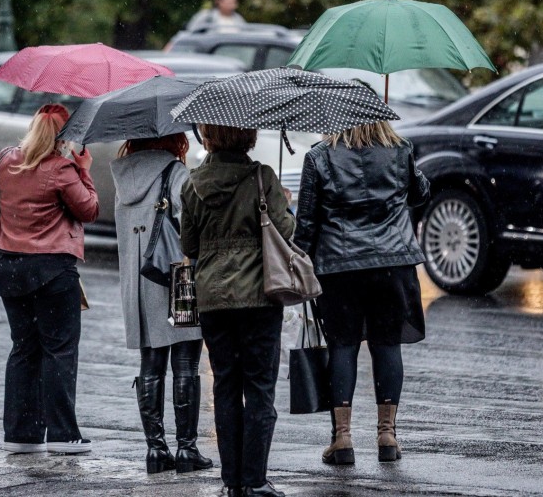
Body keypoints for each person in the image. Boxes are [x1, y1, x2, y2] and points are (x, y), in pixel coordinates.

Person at [293, 120, 430, 466]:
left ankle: (342, 440)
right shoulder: (401, 151)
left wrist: (297, 263)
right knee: (387, 344)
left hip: (340, 267)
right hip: (392, 264)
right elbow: (420, 195)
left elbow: (307, 221)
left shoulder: (319, 158)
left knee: (343, 345)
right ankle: (387, 435)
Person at [0, 103, 99, 455]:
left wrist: (10, 213)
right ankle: (62, 435)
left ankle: (21, 432)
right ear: (63, 137)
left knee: (24, 348)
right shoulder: (62, 168)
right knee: (59, 350)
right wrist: (84, 170)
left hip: (10, 267)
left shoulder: (4, 158)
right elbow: (88, 209)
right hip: (53, 270)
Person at [180, 124, 294, 497]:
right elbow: (285, 230)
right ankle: (255, 480)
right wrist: (283, 203)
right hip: (260, 295)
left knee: (226, 386)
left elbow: (190, 244)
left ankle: (232, 481)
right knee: (260, 388)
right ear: (249, 136)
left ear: (209, 137)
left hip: (213, 298)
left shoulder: (193, 184)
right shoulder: (262, 177)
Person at [110, 133, 213, 474]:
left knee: (150, 365)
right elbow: (191, 228)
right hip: (176, 278)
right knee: (185, 364)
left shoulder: (122, 177)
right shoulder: (176, 174)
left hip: (139, 282)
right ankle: (187, 449)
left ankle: (156, 450)